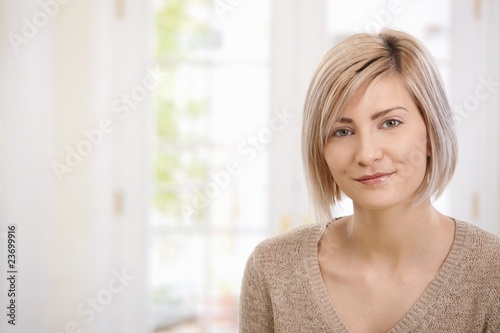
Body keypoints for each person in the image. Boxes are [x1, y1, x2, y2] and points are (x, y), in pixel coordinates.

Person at [238, 29, 500, 333]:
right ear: (321, 149)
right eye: (343, 131)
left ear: (432, 132)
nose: (367, 154)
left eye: (390, 123)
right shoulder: (272, 270)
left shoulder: (491, 273)